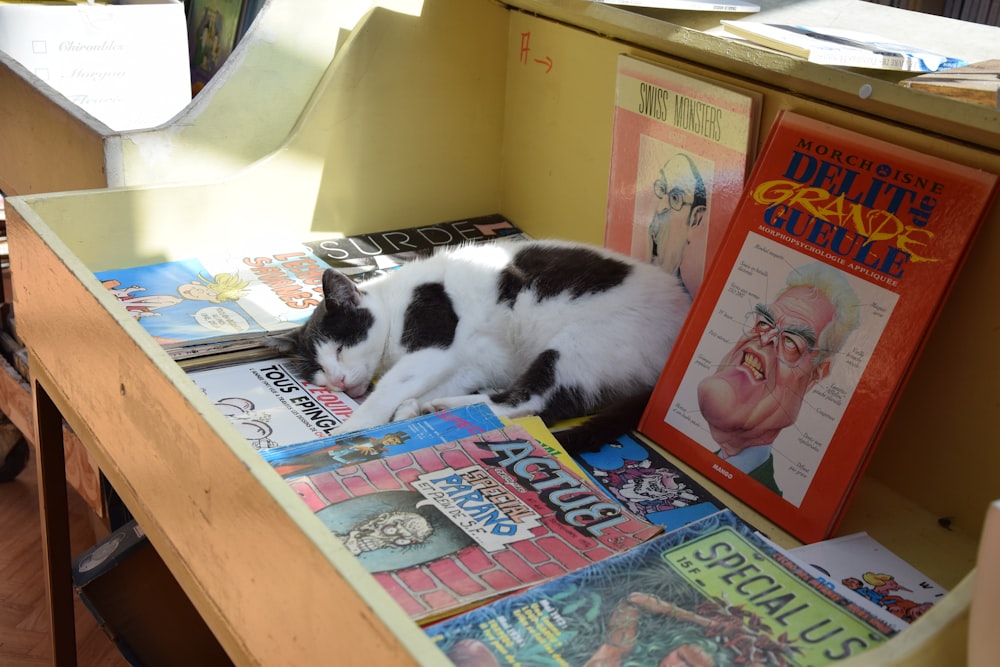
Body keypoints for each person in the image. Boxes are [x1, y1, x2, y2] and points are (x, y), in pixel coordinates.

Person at [696, 262, 860, 495]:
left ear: (815, 375)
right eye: (764, 323)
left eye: (791, 341)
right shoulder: (699, 458)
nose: (764, 341)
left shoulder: (767, 496)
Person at [647, 153, 707, 295]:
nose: (660, 207)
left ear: (694, 219)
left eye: (675, 198)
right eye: (661, 188)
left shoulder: (689, 309)